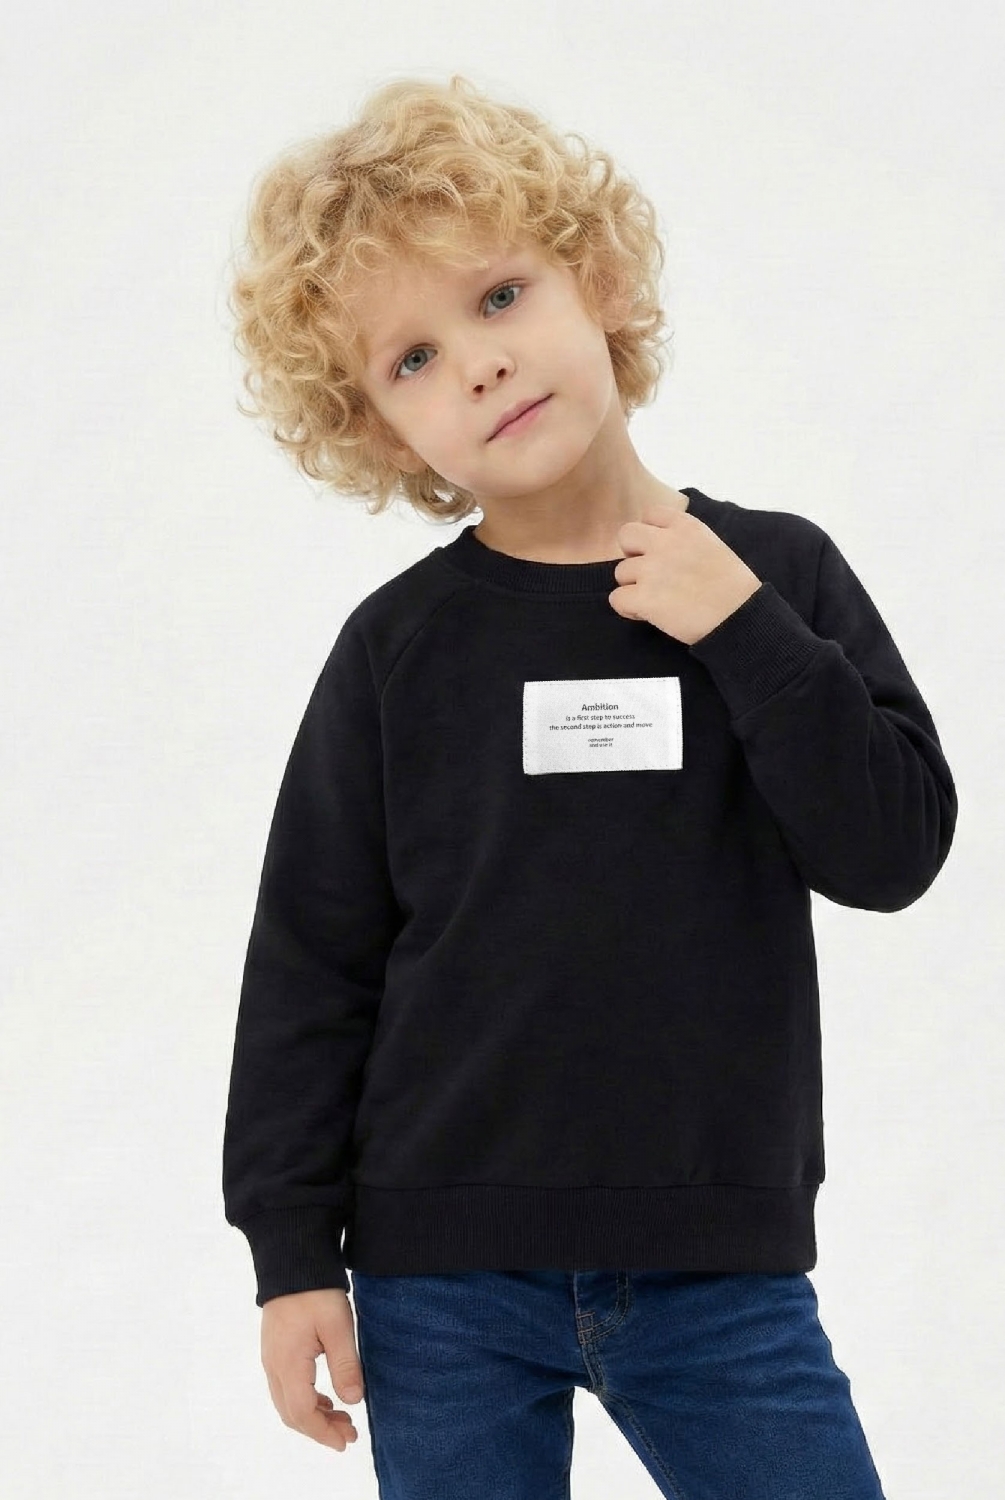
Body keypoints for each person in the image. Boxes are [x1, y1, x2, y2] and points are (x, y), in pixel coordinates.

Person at [221, 73, 957, 1499]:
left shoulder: (774, 577)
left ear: (599, 281)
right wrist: (291, 1255)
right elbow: (311, 960)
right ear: (377, 431)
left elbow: (891, 851)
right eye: (412, 359)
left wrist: (744, 631)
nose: (478, 365)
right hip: (437, 1279)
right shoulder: (396, 651)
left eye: (499, 297)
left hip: (716, 1273)